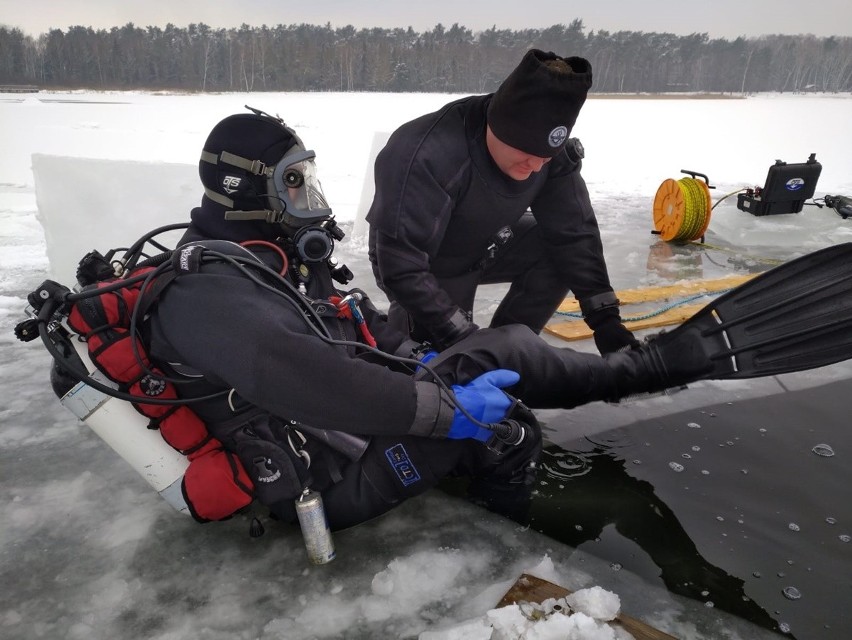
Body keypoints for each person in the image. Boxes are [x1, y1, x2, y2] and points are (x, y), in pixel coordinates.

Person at [139, 108, 705, 531]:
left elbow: (348, 318)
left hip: (342, 425)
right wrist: (445, 410)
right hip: (321, 478)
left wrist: (419, 359)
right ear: (246, 189)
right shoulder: (205, 291)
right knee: (508, 429)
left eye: (306, 177)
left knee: (495, 356)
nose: (308, 196)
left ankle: (623, 376)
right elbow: (312, 379)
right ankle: (501, 536)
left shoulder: (265, 258)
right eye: (293, 182)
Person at [366, 48, 637, 355]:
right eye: (526, 155)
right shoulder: (425, 153)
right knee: (443, 363)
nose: (535, 167)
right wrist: (462, 335)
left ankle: (511, 348)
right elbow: (402, 266)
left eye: (544, 159)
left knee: (555, 249)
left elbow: (574, 231)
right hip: (419, 259)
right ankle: (470, 350)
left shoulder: (546, 156)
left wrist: (605, 319)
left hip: (484, 240)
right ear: (498, 126)